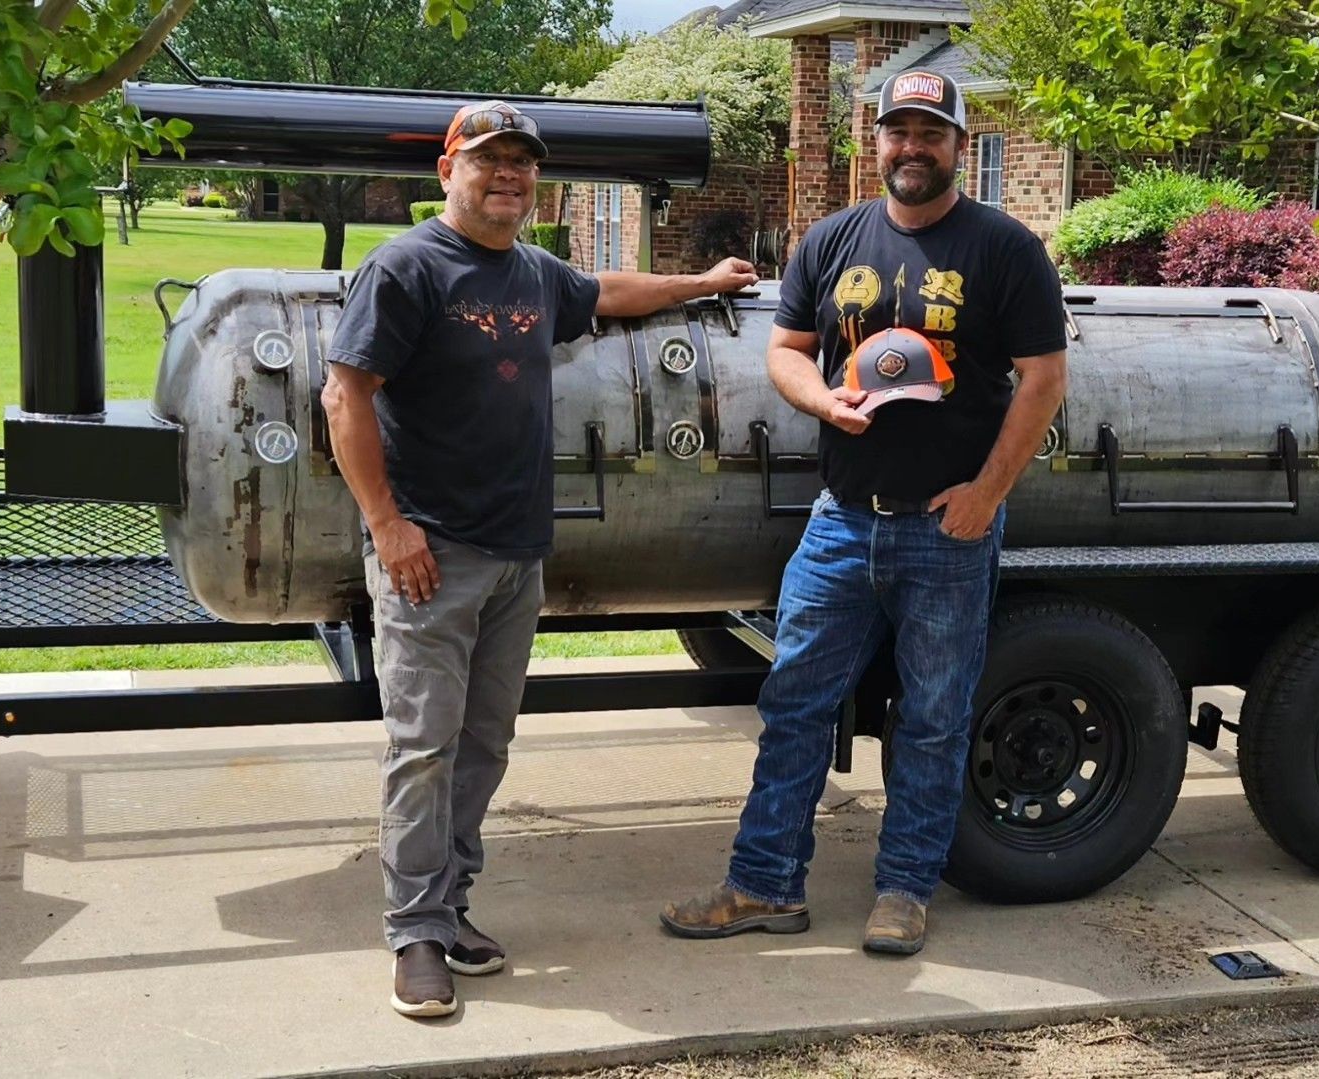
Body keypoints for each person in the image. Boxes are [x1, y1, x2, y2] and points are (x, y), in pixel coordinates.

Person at [322, 99, 757, 1018]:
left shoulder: (529, 272)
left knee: (483, 743)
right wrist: (389, 526)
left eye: (522, 164)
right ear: (449, 170)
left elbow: (607, 294)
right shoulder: (405, 268)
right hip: (431, 554)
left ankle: (450, 905)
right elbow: (343, 396)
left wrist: (702, 283)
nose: (508, 176)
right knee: (423, 748)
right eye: (490, 161)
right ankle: (414, 934)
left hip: (517, 552)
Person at [661, 68, 1068, 955]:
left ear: (960, 145)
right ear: (873, 143)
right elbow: (786, 349)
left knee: (932, 713)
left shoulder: (1005, 249)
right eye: (897, 131)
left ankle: (905, 891)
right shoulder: (832, 239)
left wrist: (988, 494)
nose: (912, 148)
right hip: (842, 519)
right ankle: (765, 883)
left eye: (931, 133)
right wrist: (821, 403)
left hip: (948, 526)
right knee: (795, 701)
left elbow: (1043, 379)